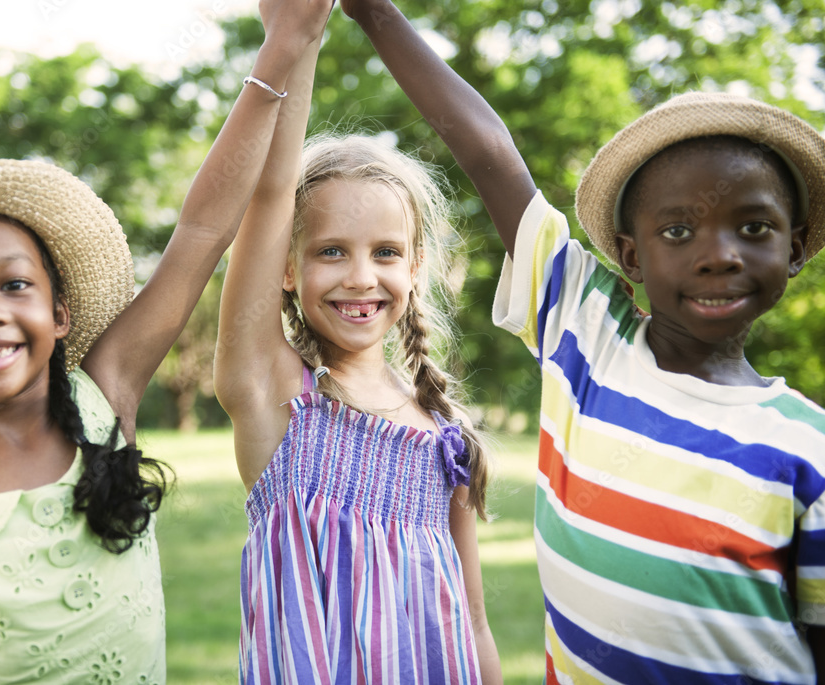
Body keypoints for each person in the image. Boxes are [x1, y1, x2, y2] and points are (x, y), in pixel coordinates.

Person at [0, 0, 334, 681]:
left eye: (13, 285)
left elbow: (202, 231)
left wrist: (281, 48)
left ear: (60, 312)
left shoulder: (106, 399)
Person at [340, 1, 825, 683]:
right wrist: (374, 13)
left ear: (796, 246)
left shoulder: (809, 451)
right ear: (630, 254)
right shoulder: (586, 333)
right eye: (678, 232)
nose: (718, 255)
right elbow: (488, 153)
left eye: (753, 228)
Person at [212, 6, 501, 681]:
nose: (361, 277)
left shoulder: (445, 434)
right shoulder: (275, 396)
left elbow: (475, 622)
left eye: (386, 252)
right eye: (331, 251)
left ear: (415, 266)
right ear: (287, 266)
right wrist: (298, 38)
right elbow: (271, 191)